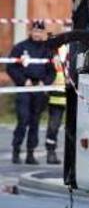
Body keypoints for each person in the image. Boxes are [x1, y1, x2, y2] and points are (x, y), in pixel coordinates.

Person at [7, 21, 56, 165]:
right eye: (35, 31)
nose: (37, 34)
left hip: (39, 89)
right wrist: (23, 81)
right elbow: (11, 67)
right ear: (31, 31)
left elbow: (52, 70)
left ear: (43, 33)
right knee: (23, 119)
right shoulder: (20, 47)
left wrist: (45, 82)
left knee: (35, 122)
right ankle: (16, 151)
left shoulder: (47, 49)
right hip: (25, 88)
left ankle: (30, 153)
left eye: (40, 32)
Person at [44, 42, 67, 165]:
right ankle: (51, 153)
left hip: (73, 96)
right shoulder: (53, 52)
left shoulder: (73, 50)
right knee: (53, 127)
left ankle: (72, 156)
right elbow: (46, 70)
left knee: (75, 128)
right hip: (56, 96)